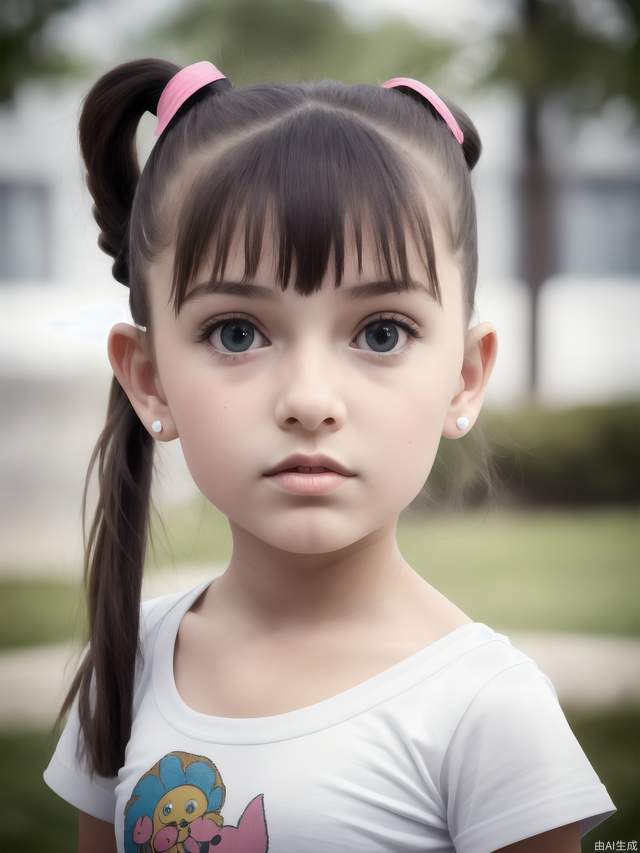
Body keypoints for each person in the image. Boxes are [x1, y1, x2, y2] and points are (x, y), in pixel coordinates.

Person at [43, 58, 616, 853]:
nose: (309, 399)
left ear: (465, 374)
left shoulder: (487, 710)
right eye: (236, 332)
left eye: (381, 331)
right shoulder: (129, 663)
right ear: (150, 380)